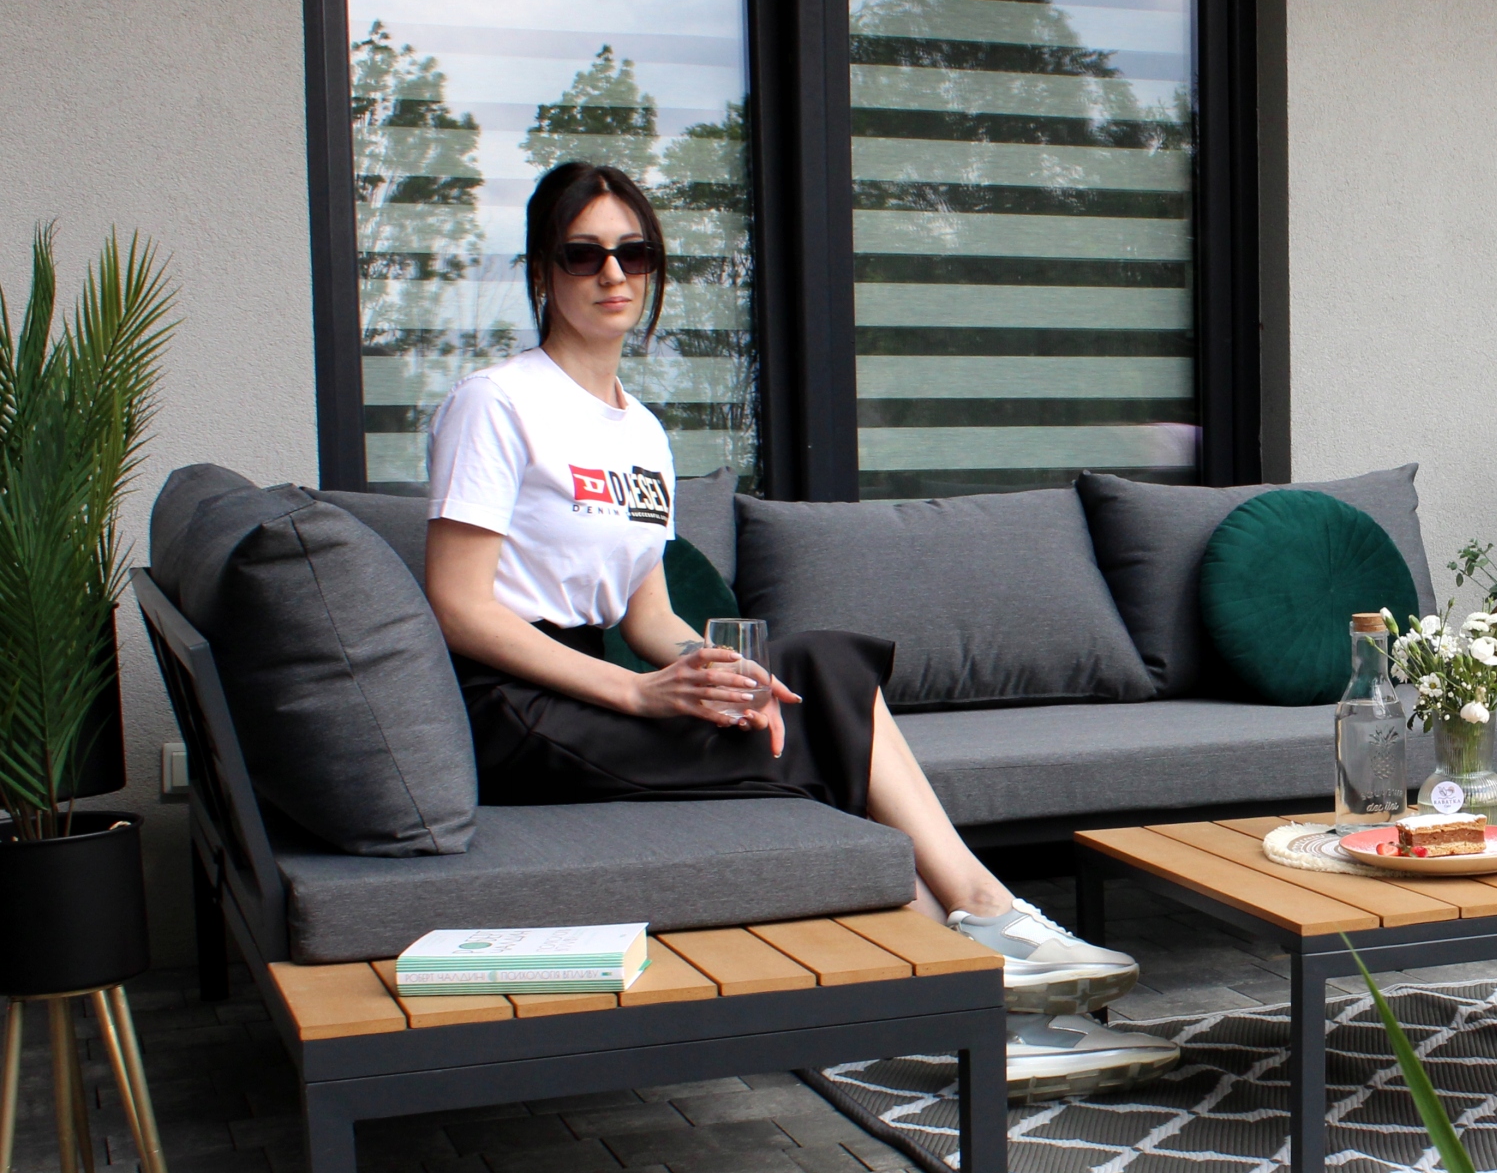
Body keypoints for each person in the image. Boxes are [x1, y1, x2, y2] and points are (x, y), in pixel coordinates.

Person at [421, 158, 1173, 1099]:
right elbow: (459, 605)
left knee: (807, 712)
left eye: (634, 252)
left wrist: (716, 672)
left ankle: (987, 1009)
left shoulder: (639, 432)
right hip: (518, 709)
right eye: (584, 254)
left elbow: (647, 616)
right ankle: (989, 919)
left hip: (596, 693)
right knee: (822, 688)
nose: (613, 274)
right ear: (542, 271)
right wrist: (639, 693)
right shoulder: (496, 402)